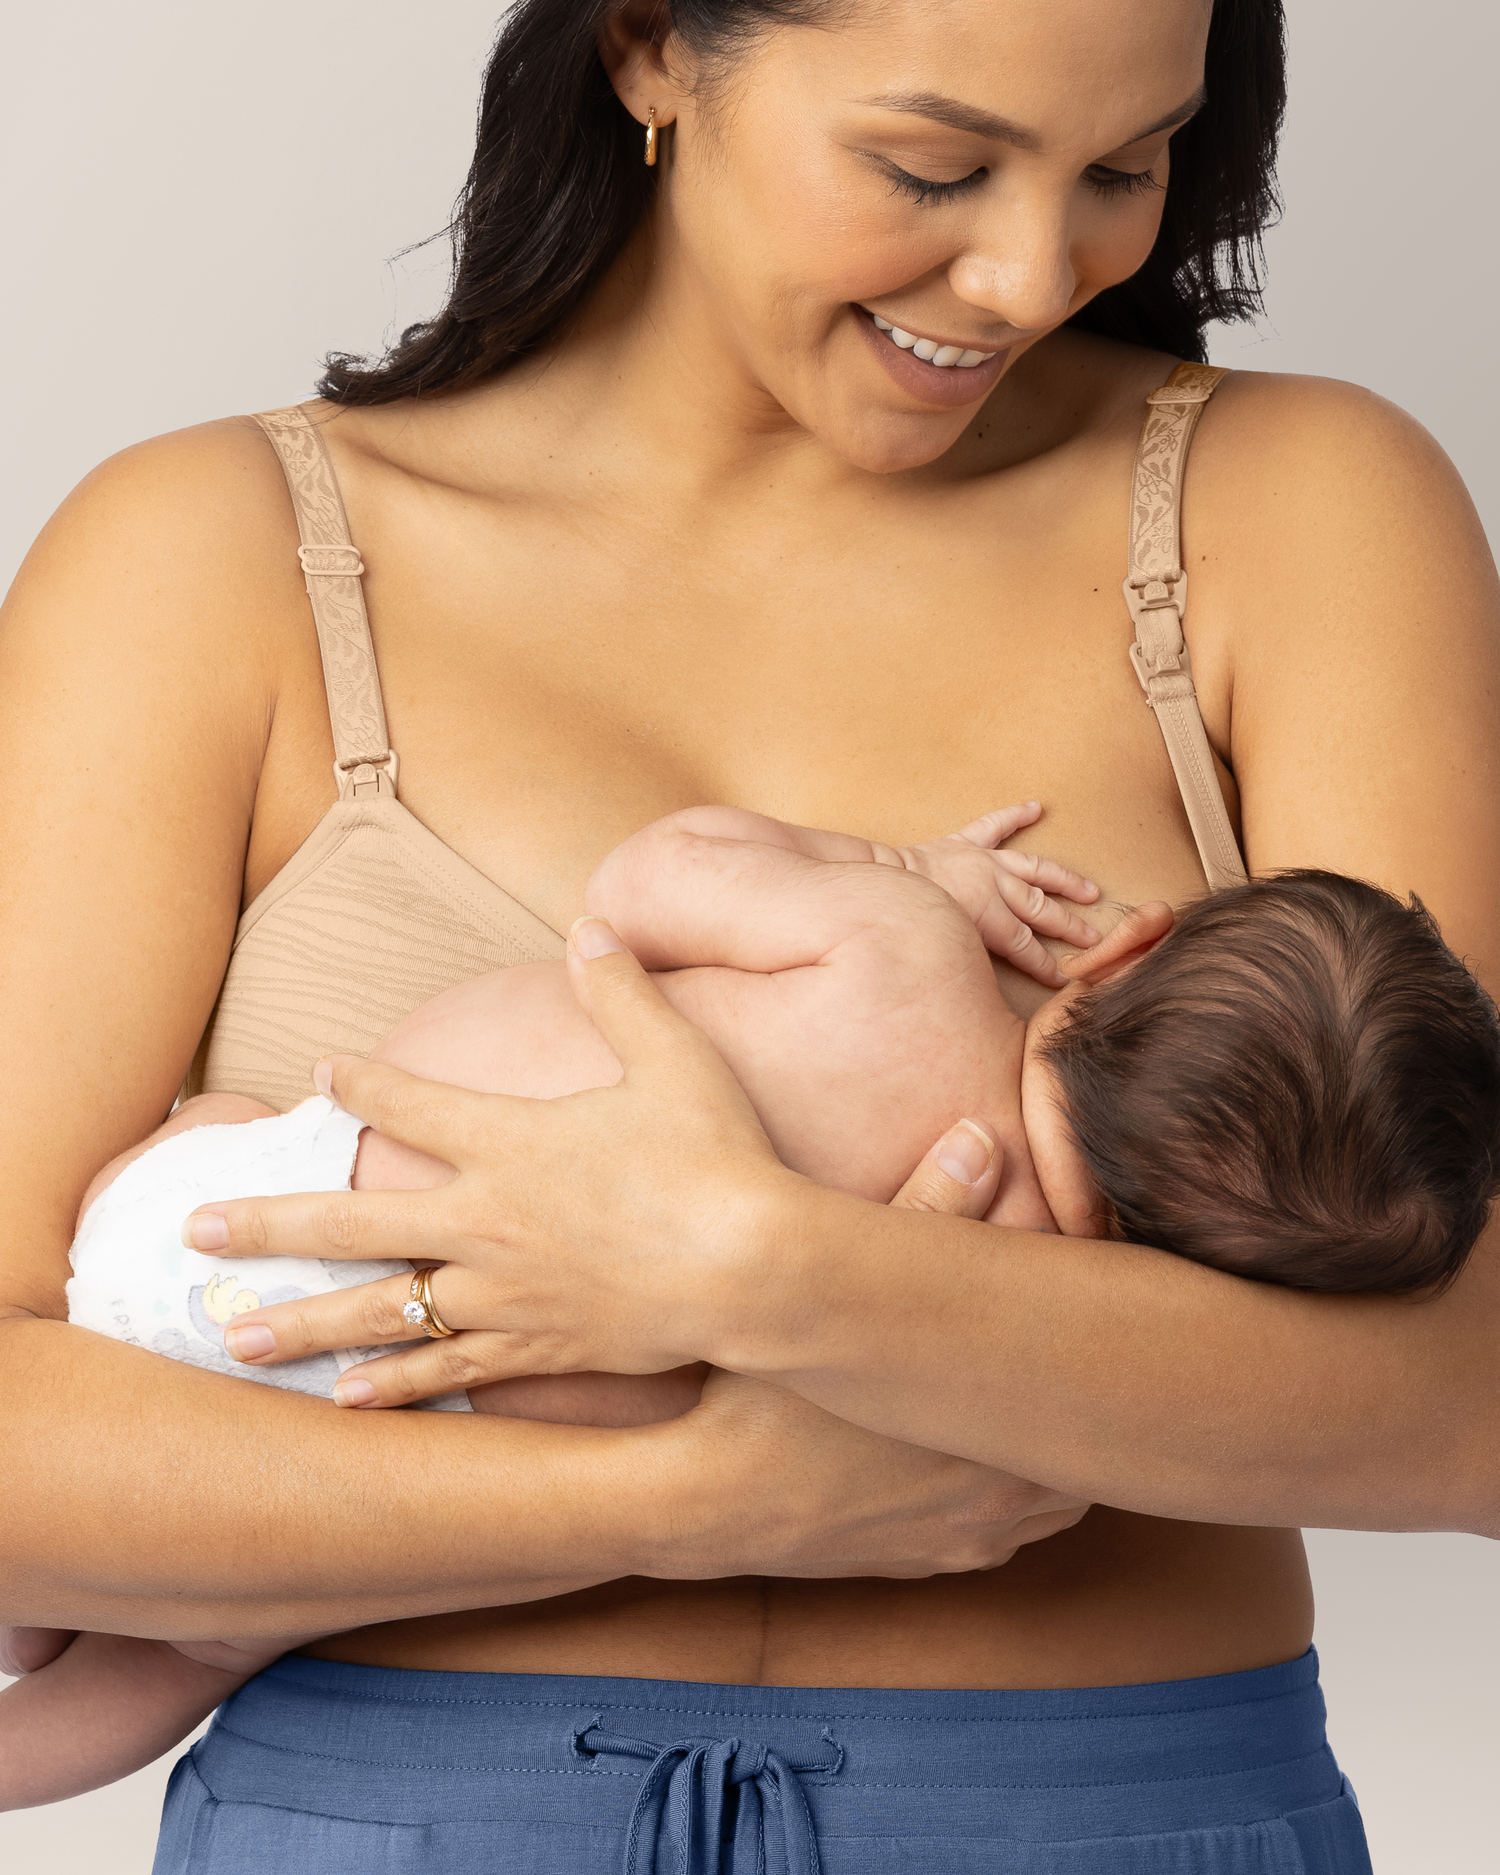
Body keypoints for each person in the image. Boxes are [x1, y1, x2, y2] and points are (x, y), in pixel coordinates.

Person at [5, 0, 1497, 1867]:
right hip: (402, 1816)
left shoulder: (1292, 512)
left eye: (1126, 167)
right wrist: (696, 1495)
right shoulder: (213, 552)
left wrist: (761, 1271)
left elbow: (1466, 1393)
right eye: (931, 165)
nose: (1036, 268)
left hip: (1105, 1809)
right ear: (647, 51)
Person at [7, 790, 1499, 1814]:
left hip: (239, 1209)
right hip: (398, 1434)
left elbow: (645, 882)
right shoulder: (1052, 1314)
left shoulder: (896, 955)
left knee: (217, 1122)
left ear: (1124, 946)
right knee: (183, 1657)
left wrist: (899, 867)